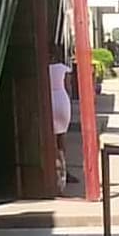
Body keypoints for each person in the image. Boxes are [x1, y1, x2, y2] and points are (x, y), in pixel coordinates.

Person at [48, 54, 76, 194]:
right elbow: (69, 87)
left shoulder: (44, 70)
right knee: (62, 139)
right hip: (62, 100)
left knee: (52, 140)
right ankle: (64, 169)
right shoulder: (63, 68)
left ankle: (56, 172)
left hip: (50, 100)